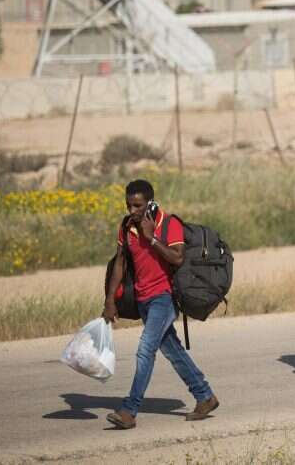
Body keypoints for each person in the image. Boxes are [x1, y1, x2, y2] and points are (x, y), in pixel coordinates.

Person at [103, 180, 217, 429]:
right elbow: (120, 263)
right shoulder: (126, 227)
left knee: (145, 350)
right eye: (128, 205)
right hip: (143, 300)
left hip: (164, 298)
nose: (132, 210)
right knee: (172, 351)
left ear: (150, 203)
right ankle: (205, 396)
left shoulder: (169, 223)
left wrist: (151, 237)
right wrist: (110, 300)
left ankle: (129, 410)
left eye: (138, 205)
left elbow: (177, 257)